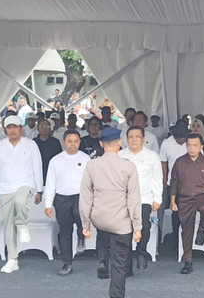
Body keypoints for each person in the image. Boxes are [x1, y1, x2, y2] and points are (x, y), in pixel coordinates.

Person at [80, 127, 142, 298]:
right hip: (121, 222)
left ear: (101, 144)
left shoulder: (91, 165)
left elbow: (86, 196)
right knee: (120, 263)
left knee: (104, 236)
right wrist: (137, 227)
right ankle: (116, 295)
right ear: (120, 143)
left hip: (99, 219)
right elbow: (134, 199)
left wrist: (85, 224)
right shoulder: (128, 167)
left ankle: (102, 257)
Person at [0, 115, 44, 273]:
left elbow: (37, 166)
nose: (12, 130)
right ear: (5, 129)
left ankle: (22, 225)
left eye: (15, 127)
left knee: (21, 202)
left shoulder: (31, 144)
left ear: (21, 128)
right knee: (8, 224)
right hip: (5, 188)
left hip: (25, 184)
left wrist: (39, 189)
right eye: (9, 127)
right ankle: (12, 259)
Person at [170, 133, 204, 274]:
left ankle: (202, 229)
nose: (192, 148)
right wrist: (173, 201)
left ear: (201, 147)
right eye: (189, 145)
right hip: (185, 198)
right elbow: (174, 183)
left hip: (203, 196)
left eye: (195, 145)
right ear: (186, 146)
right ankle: (188, 261)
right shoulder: (180, 162)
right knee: (186, 230)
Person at [44, 129, 90, 275]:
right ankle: (66, 262)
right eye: (69, 141)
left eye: (75, 141)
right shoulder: (56, 160)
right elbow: (50, 183)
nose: (72, 144)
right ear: (64, 142)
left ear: (79, 142)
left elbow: (91, 182)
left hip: (80, 196)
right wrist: (48, 204)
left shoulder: (86, 159)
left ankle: (81, 237)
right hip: (62, 198)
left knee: (79, 215)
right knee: (65, 231)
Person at [119, 126, 163, 269]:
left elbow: (158, 178)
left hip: (144, 198)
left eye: (137, 136)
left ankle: (141, 252)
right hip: (123, 199)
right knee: (124, 229)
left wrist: (157, 199)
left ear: (143, 139)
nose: (134, 139)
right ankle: (126, 259)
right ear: (126, 139)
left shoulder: (152, 156)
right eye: (131, 136)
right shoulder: (119, 156)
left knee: (144, 225)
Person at [159, 123, 190, 248]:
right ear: (174, 136)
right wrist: (164, 181)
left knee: (189, 212)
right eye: (180, 139)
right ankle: (177, 240)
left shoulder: (192, 141)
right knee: (176, 212)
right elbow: (163, 163)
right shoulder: (166, 143)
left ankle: (188, 239)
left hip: (191, 183)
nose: (183, 141)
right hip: (174, 184)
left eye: (184, 137)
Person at [34, 119, 63, 184]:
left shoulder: (55, 142)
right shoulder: (33, 142)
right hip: (37, 172)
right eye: (42, 127)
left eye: (47, 127)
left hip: (52, 172)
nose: (44, 129)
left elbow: (59, 158)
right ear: (38, 129)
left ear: (50, 129)